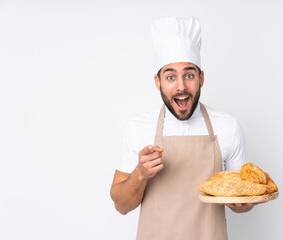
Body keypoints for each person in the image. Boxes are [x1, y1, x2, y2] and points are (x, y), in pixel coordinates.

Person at [110, 16, 258, 240]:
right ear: (158, 82)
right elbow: (121, 206)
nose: (181, 86)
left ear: (201, 78)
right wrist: (140, 173)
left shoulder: (228, 126)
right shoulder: (138, 128)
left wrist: (242, 204)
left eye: (189, 75)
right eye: (170, 77)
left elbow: (242, 197)